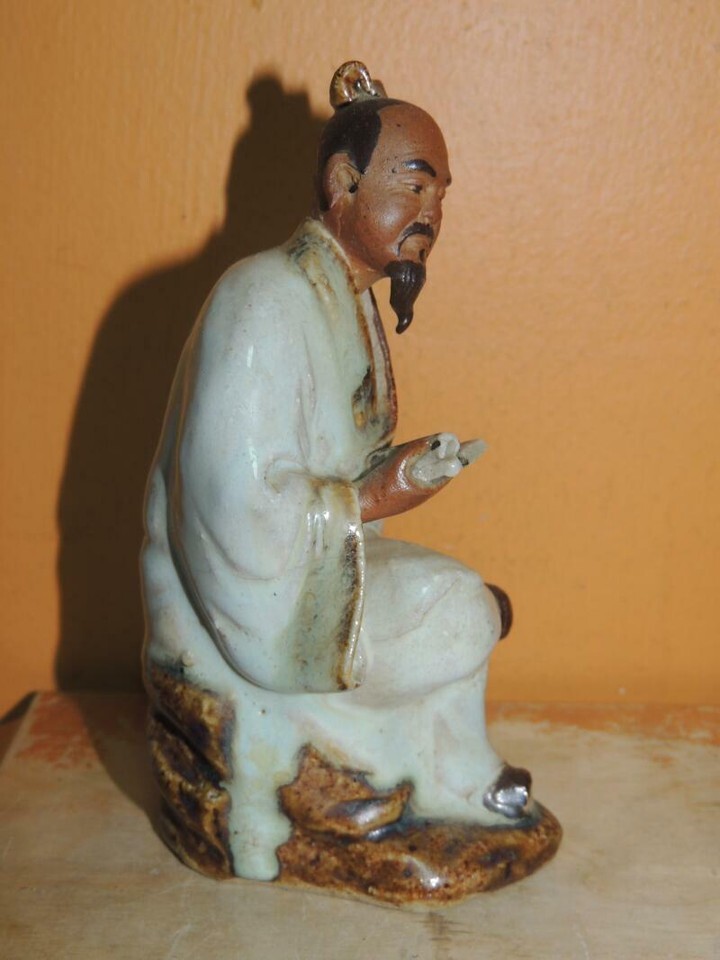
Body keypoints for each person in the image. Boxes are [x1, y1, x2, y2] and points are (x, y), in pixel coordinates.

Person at [141, 62, 535, 884]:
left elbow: (335, 469)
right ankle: (428, 774)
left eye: (441, 196)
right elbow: (232, 502)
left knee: (463, 604)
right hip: (245, 595)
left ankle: (458, 774)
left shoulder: (347, 301)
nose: (431, 214)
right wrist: (371, 495)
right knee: (463, 609)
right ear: (342, 184)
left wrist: (400, 474)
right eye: (414, 186)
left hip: (315, 564)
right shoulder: (261, 296)